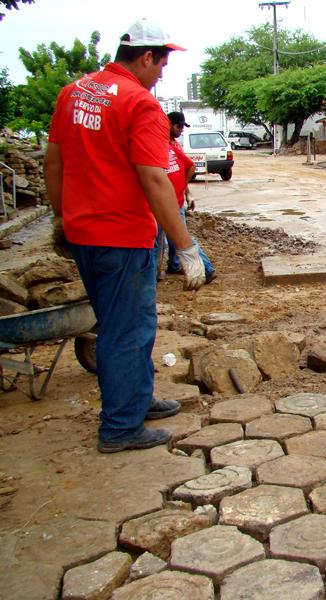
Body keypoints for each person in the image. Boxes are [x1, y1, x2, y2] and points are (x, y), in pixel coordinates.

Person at [44, 18, 206, 453]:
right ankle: (120, 428)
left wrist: (61, 217)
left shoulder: (73, 92)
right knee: (126, 331)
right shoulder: (140, 103)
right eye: (162, 65)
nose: (161, 75)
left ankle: (138, 399)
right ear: (147, 57)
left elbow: (53, 162)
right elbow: (154, 180)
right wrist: (186, 247)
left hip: (84, 232)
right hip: (123, 236)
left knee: (124, 323)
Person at [158, 111, 215, 283]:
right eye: (179, 126)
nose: (181, 130)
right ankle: (172, 265)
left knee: (176, 237)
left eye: (183, 127)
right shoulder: (158, 144)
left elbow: (186, 168)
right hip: (162, 200)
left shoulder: (174, 146)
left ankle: (205, 268)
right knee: (162, 239)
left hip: (172, 201)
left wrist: (186, 191)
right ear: (169, 124)